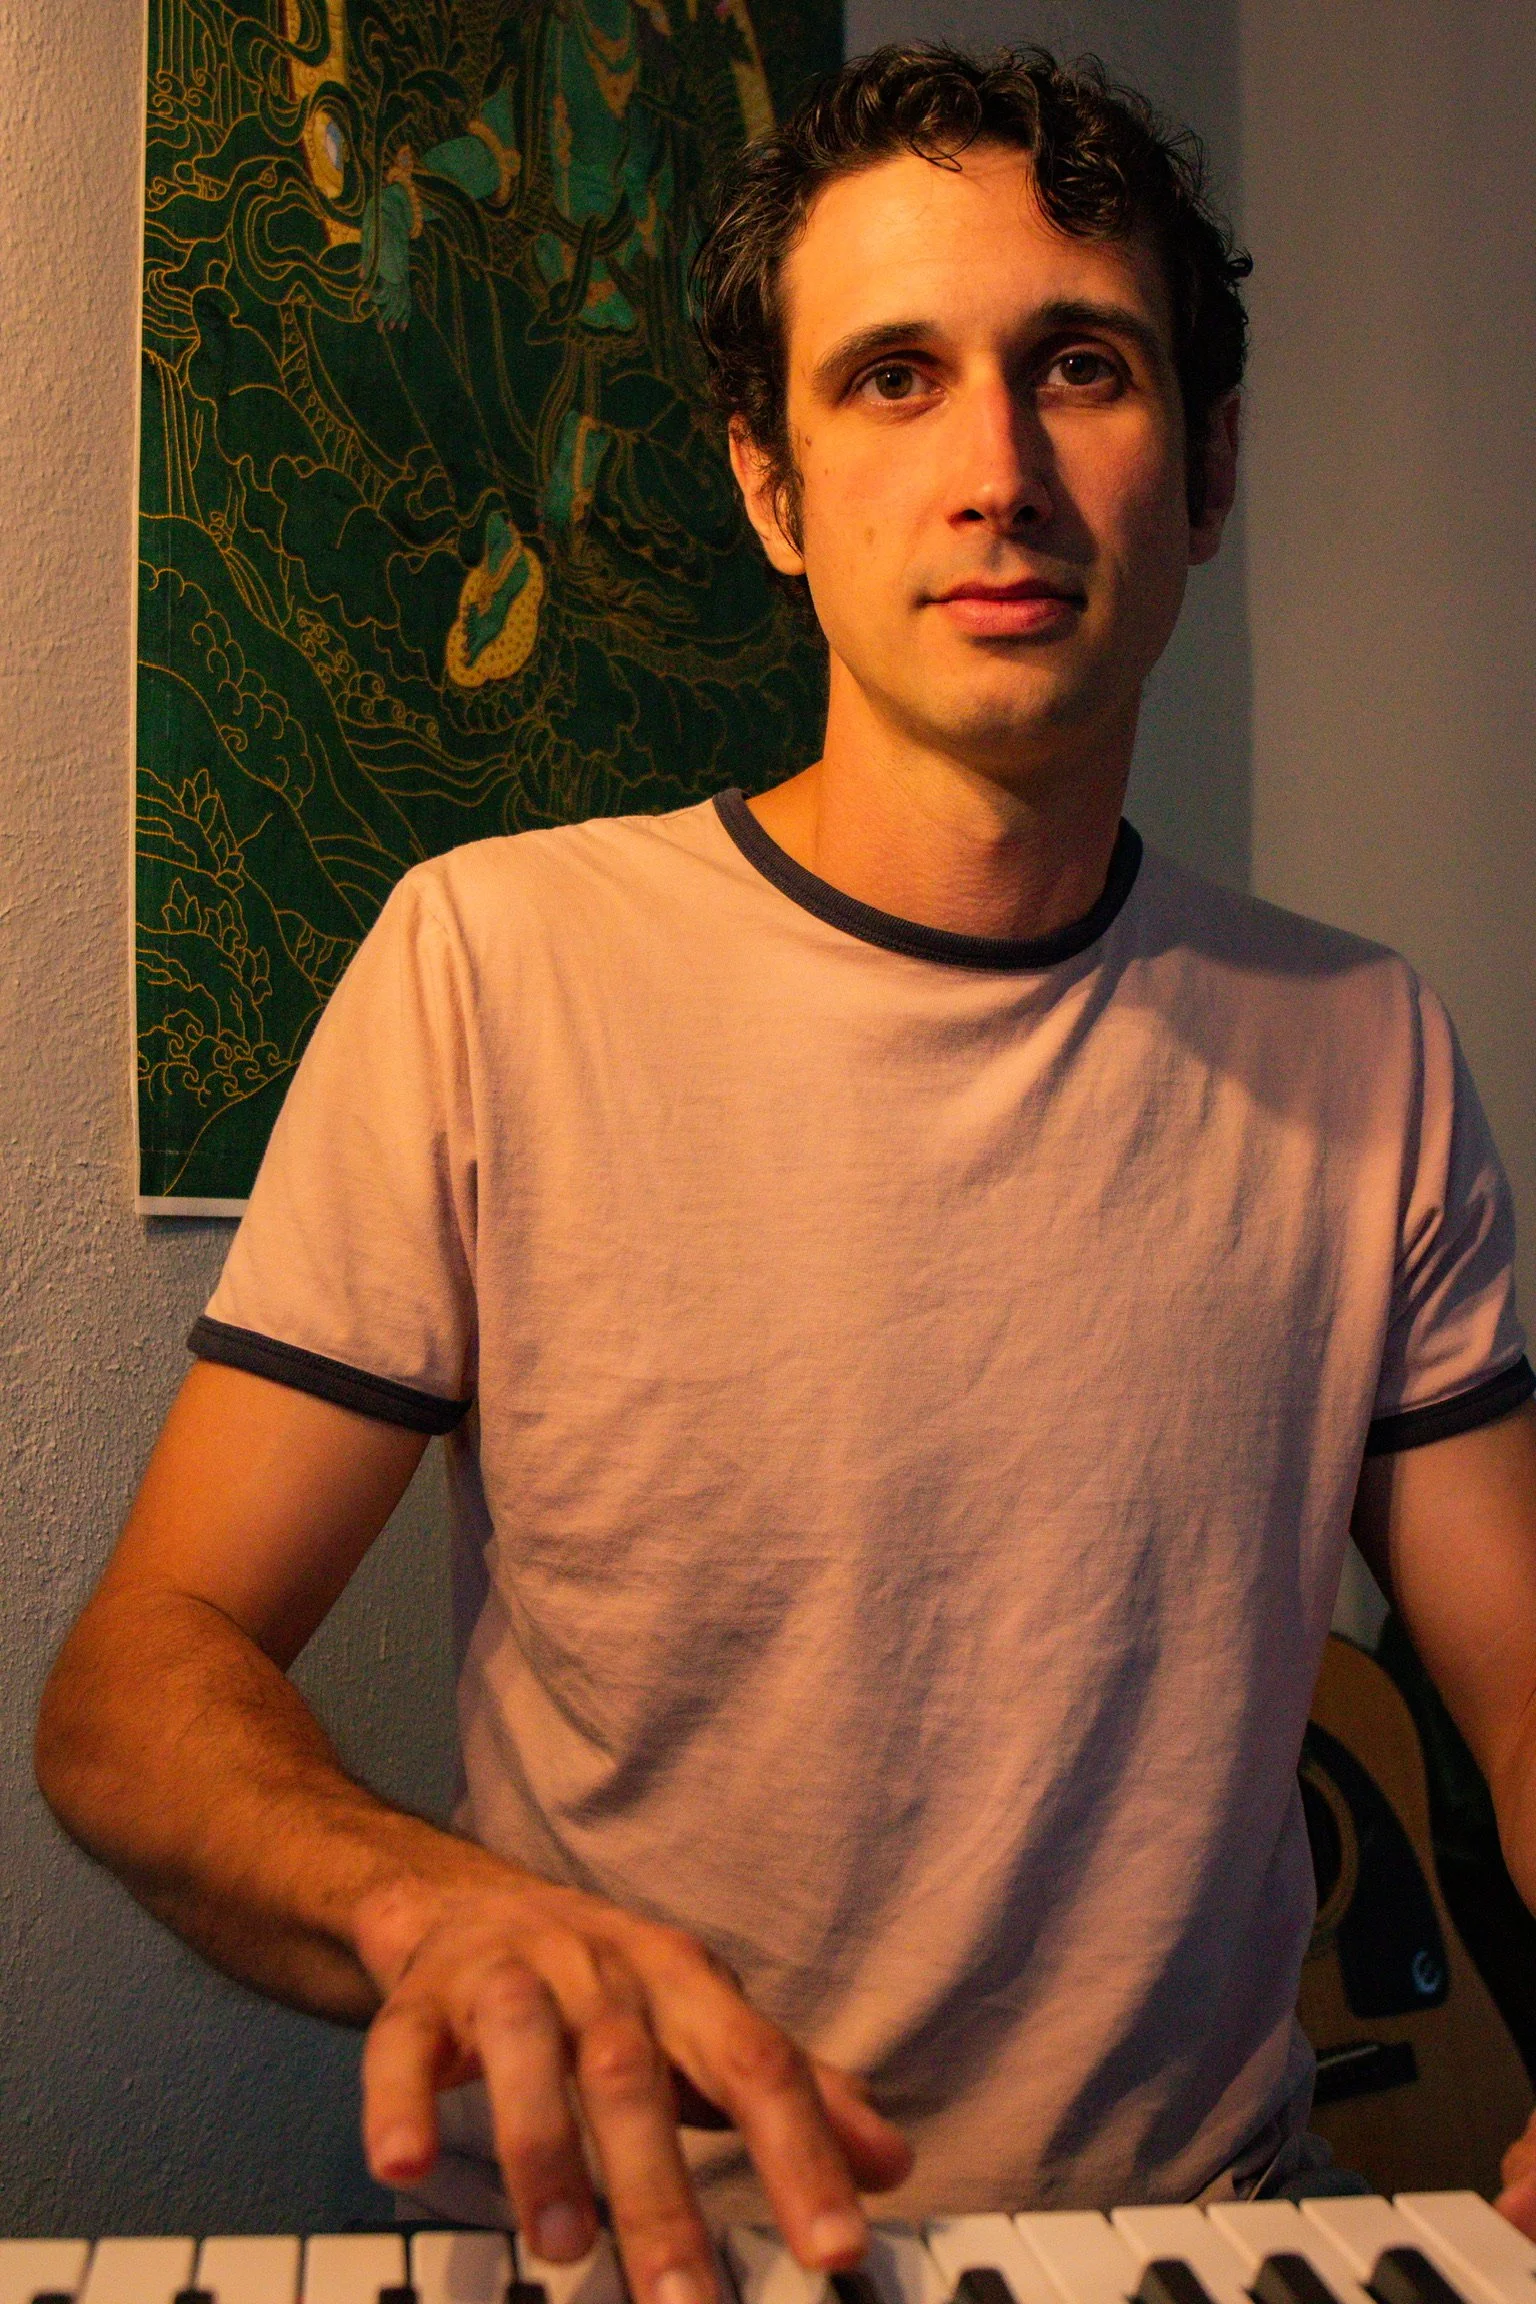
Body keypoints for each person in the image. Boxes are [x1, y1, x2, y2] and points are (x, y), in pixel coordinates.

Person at [37, 39, 1536, 2298]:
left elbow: (1517, 1681)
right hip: (616, 2250)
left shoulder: (1370, 1047)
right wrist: (414, 1895)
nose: (999, 474)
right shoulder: (488, 964)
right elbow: (142, 1678)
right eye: (894, 381)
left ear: (1208, 466)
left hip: (1202, 2244)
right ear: (769, 484)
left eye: (1086, 369)